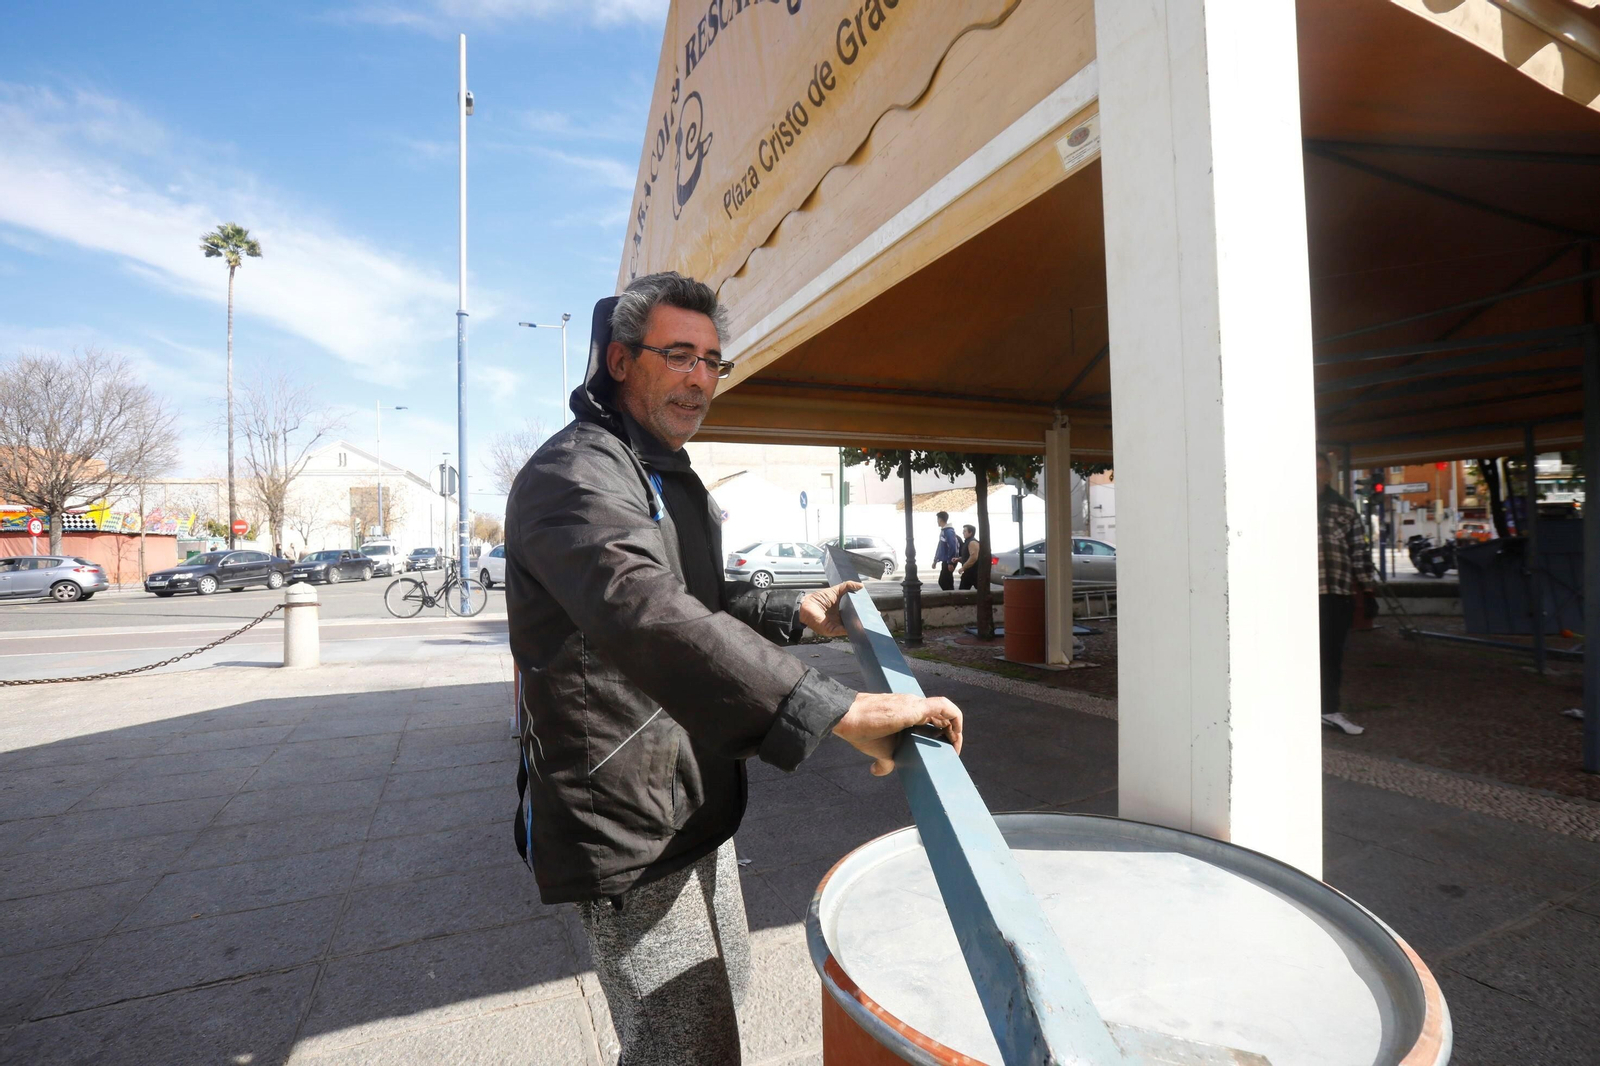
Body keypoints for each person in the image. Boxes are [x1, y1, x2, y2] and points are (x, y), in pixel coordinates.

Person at [503, 272, 964, 1065]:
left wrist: (794, 613)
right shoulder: (574, 475)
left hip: (696, 795)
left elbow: (700, 599)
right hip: (628, 817)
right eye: (678, 355)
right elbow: (646, 609)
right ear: (619, 361)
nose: (700, 379)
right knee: (684, 1047)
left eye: (713, 361)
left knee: (716, 1012)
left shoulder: (660, 470)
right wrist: (840, 712)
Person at [1316, 452, 1374, 736]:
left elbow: (1359, 552)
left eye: (1320, 470)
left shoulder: (1345, 508)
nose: (1316, 475)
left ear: (1329, 474)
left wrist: (1368, 589)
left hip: (1336, 592)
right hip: (1297, 594)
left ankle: (1328, 710)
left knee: (1331, 655)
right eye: (1310, 470)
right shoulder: (1288, 505)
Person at [932, 510, 962, 591]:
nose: (937, 521)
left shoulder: (948, 531)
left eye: (937, 519)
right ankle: (952, 598)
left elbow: (952, 546)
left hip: (948, 561)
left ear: (940, 520)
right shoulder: (944, 531)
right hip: (946, 561)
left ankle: (951, 598)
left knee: (943, 581)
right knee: (948, 581)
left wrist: (950, 562)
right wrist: (935, 560)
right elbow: (940, 546)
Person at [957, 524, 981, 590]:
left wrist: (963, 567)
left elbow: (974, 557)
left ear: (970, 533)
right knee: (962, 592)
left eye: (965, 531)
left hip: (974, 572)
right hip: (969, 572)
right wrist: (959, 559)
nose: (963, 533)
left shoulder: (972, 542)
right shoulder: (968, 542)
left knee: (981, 590)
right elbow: (968, 556)